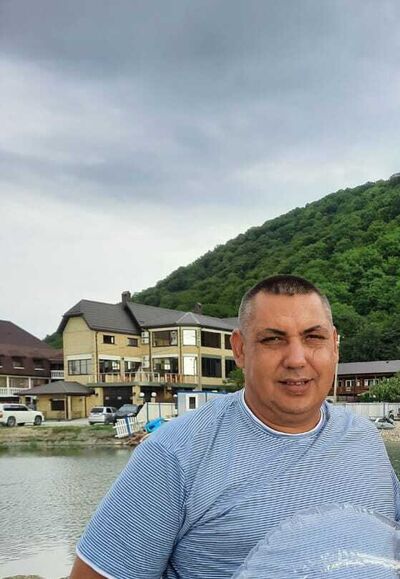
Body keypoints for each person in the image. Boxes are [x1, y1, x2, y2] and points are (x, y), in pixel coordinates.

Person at [70, 275, 400, 579]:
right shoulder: (174, 455)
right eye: (273, 339)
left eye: (314, 337)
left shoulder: (364, 438)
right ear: (240, 350)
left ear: (335, 346)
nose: (297, 359)